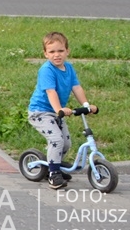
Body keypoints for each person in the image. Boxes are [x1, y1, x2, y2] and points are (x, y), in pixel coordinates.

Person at [27, 31, 98, 190]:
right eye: (52, 51)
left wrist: (86, 104)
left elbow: (76, 87)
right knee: (57, 140)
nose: (57, 55)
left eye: (60, 50)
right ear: (45, 54)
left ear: (67, 51)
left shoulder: (69, 68)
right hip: (40, 112)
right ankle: (53, 174)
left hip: (56, 112)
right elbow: (50, 91)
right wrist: (59, 109)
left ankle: (54, 165)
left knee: (66, 143)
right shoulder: (46, 70)